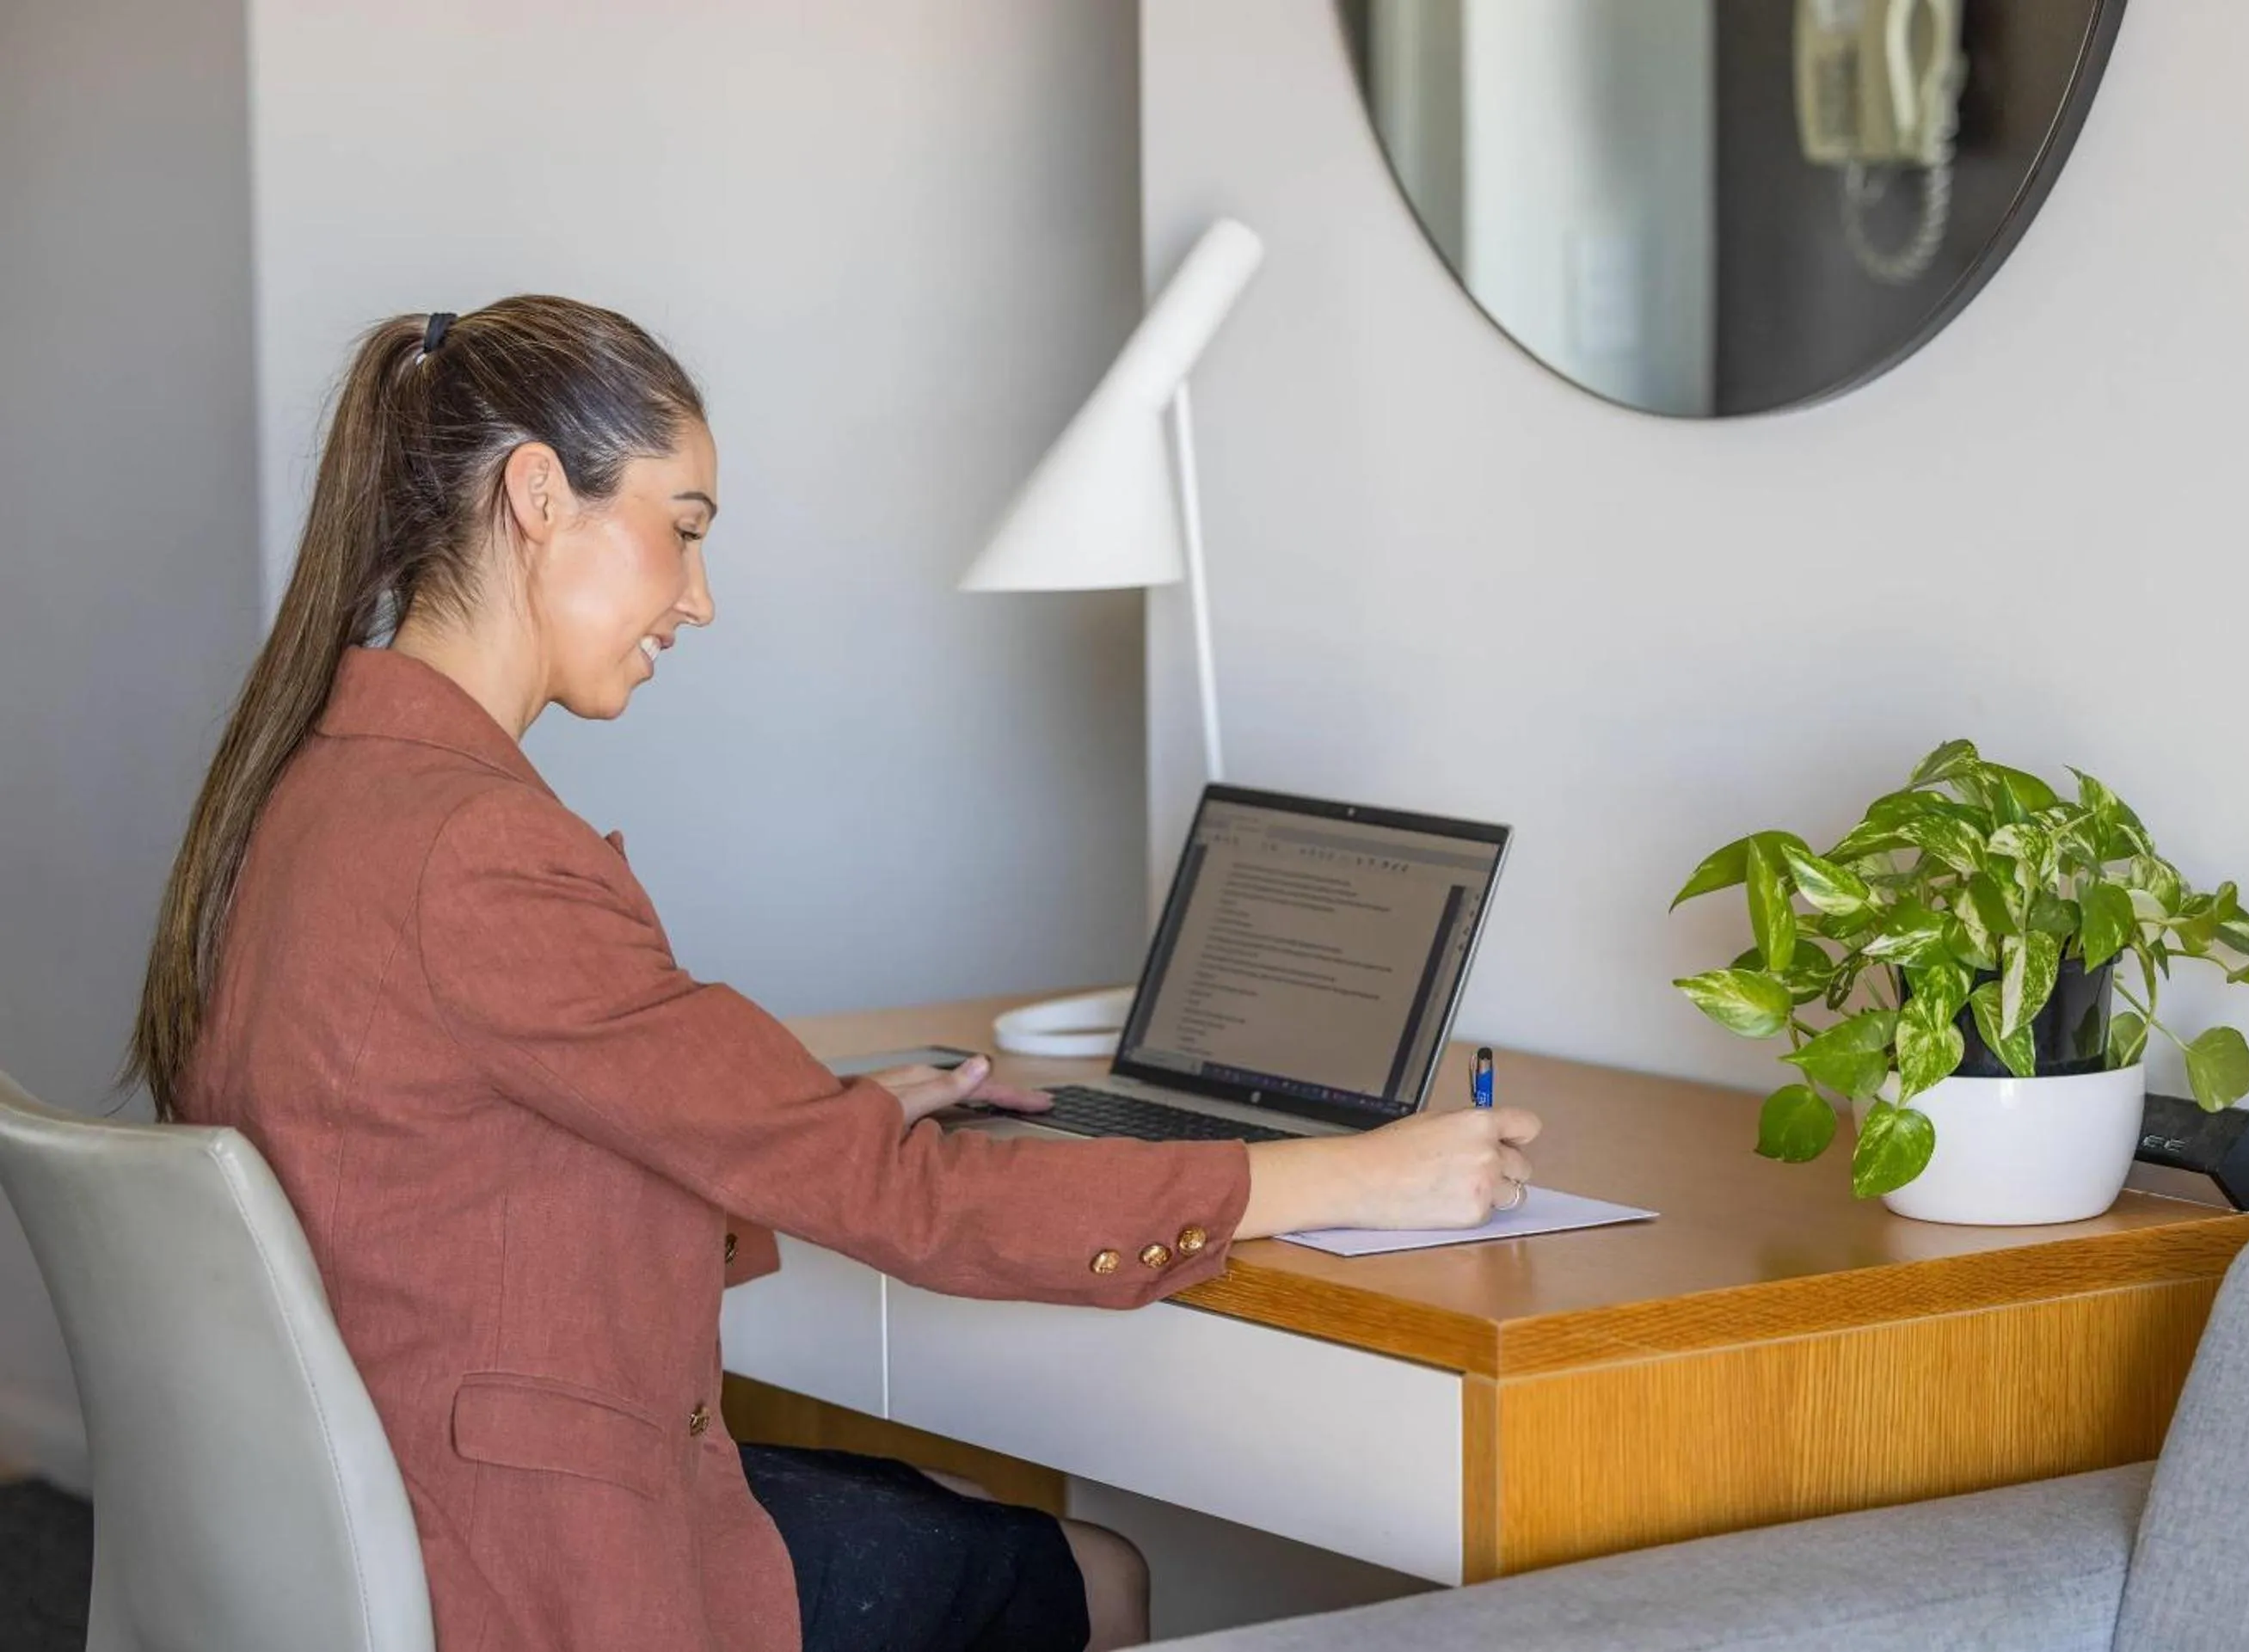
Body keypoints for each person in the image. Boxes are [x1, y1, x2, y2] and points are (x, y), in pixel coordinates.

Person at [128, 295, 1540, 1652]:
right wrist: (1351, 1177)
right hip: (529, 1555)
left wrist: (810, 1109)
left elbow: (465, 1112)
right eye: (680, 533)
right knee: (1087, 1575)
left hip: (371, 1506)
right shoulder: (481, 852)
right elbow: (900, 1202)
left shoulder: (312, 788)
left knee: (970, 1524)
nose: (699, 598)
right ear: (540, 494)